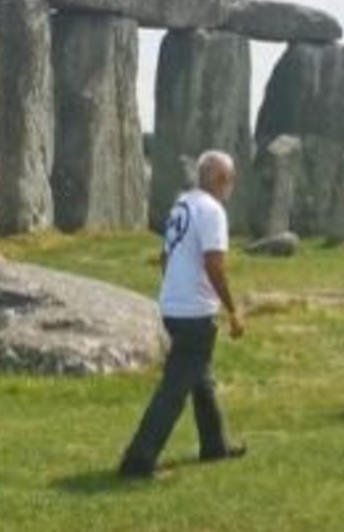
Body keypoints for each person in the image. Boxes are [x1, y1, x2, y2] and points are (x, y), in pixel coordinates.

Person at [119, 151, 247, 479]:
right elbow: (214, 264)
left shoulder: (182, 205)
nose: (231, 187)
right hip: (194, 313)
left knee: (200, 378)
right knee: (174, 390)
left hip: (173, 306)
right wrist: (233, 310)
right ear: (220, 180)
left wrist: (174, 293)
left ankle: (215, 444)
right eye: (231, 180)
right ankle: (139, 460)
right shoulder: (212, 210)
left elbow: (165, 257)